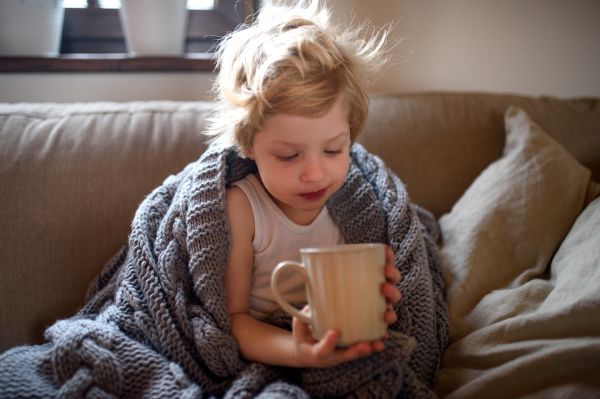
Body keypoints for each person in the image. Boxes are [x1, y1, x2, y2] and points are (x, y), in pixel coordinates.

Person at [205, 0, 402, 369]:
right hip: (269, 349)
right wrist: (301, 353)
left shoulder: (356, 203)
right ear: (250, 146)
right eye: (288, 156)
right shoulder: (243, 208)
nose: (315, 174)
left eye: (332, 149)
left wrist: (383, 297)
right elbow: (234, 321)